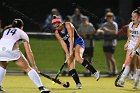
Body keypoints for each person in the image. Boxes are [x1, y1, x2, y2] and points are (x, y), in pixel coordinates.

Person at [0, 19, 50, 93]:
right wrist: (34, 66)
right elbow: (28, 51)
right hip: (11, 51)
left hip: (0, 50)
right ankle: (41, 88)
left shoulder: (6, 30)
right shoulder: (22, 33)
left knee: (2, 66)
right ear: (22, 26)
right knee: (27, 68)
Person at [52, 15, 100, 89]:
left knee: (78, 57)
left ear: (60, 23)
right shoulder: (57, 33)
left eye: (58, 26)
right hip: (68, 46)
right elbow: (63, 44)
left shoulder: (68, 25)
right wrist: (68, 53)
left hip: (78, 42)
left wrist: (71, 50)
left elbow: (72, 37)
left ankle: (94, 72)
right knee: (70, 63)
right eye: (55, 27)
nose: (57, 28)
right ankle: (78, 83)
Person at [116, 8, 140, 89]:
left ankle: (136, 81)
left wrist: (135, 49)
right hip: (132, 44)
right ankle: (122, 80)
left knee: (138, 64)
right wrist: (127, 42)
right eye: (132, 16)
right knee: (127, 61)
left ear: (139, 18)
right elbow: (129, 34)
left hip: (139, 45)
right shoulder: (130, 24)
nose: (133, 18)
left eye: (135, 17)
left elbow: (139, 40)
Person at [99, 12, 118, 76]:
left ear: (112, 17)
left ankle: (115, 71)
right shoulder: (104, 24)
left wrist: (107, 30)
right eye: (107, 17)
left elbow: (115, 32)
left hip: (112, 43)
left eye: (110, 17)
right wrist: (100, 31)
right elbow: (100, 31)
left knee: (110, 57)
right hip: (105, 42)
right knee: (107, 57)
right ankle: (109, 71)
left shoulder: (114, 24)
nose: (108, 18)